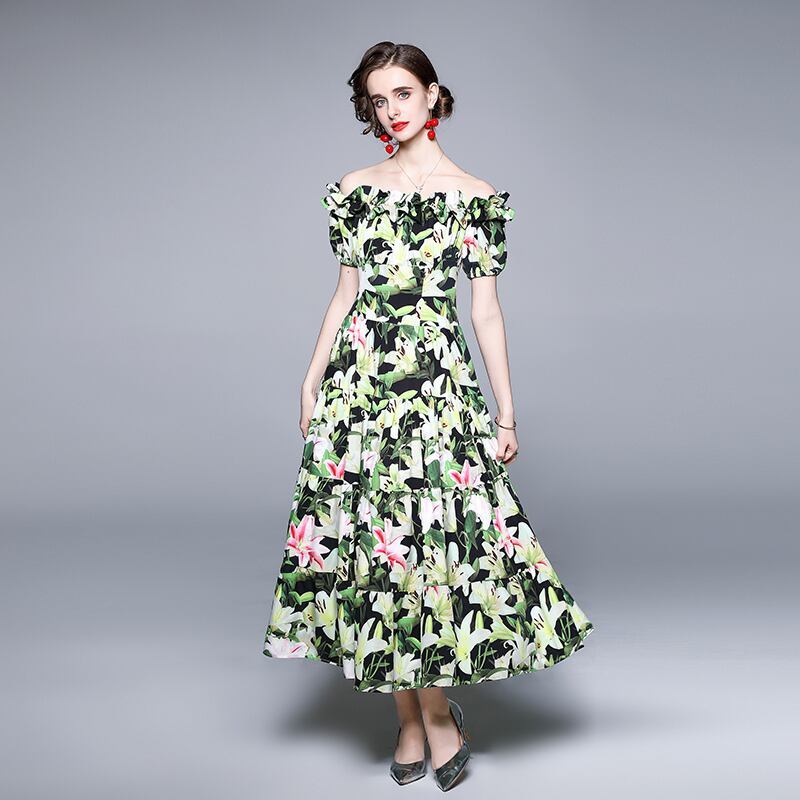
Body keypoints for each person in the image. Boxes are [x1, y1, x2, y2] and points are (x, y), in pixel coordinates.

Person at [262, 41, 594, 791]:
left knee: (429, 545)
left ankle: (436, 713)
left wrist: (506, 413)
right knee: (377, 548)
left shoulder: (474, 195)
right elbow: (344, 294)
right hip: (359, 387)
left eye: (403, 93)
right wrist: (310, 381)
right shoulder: (355, 189)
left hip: (437, 388)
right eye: (378, 100)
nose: (392, 111)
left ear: (435, 94)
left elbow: (486, 312)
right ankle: (410, 718)